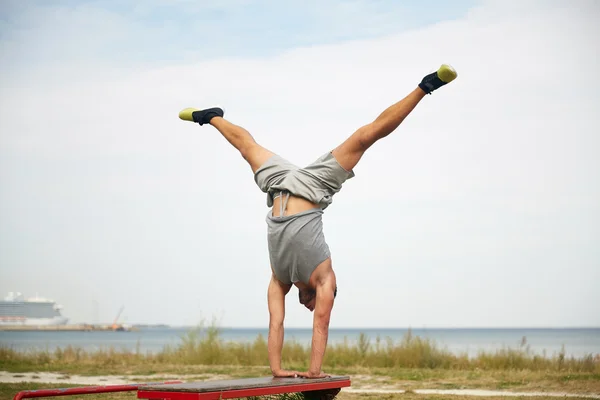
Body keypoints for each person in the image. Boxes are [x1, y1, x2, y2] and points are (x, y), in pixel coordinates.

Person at [178, 64, 458, 379]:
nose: (309, 308)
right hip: (314, 185)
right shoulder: (325, 279)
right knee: (365, 137)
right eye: (312, 306)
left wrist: (276, 368)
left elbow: (276, 323)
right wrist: (314, 371)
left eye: (310, 307)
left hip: (280, 185)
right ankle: (426, 86)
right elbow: (321, 324)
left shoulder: (279, 279)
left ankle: (210, 116)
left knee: (247, 149)